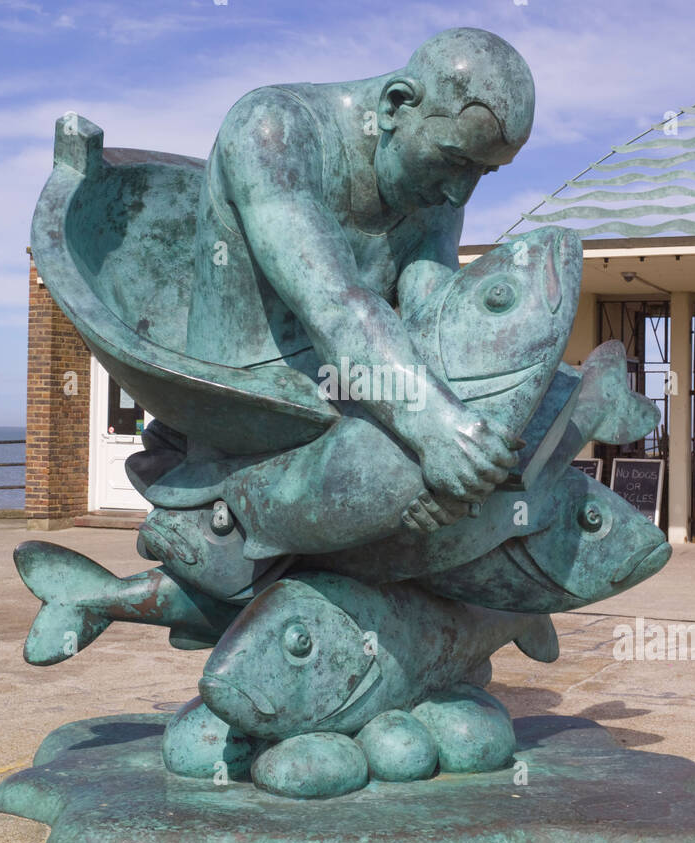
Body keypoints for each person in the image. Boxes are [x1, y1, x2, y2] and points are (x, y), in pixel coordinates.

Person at [185, 27, 535, 530]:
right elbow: (333, 300)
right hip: (249, 417)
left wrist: (476, 439)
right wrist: (440, 428)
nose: (461, 195)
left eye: (485, 173)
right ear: (396, 106)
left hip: (356, 407)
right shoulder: (273, 128)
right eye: (456, 160)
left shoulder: (433, 196)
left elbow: (436, 322)